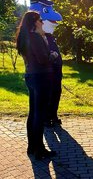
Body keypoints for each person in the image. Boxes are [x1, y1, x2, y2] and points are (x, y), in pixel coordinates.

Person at [16, 11, 58, 160]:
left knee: (33, 112)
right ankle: (39, 150)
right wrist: (53, 55)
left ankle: (32, 147)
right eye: (40, 20)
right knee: (39, 114)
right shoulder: (35, 38)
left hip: (31, 76)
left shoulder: (25, 38)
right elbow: (43, 59)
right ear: (34, 22)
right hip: (41, 77)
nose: (42, 22)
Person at [29, 0, 63, 127]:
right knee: (47, 94)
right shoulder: (36, 38)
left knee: (56, 91)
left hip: (55, 70)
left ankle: (53, 115)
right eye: (46, 10)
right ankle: (45, 118)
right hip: (45, 71)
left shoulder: (49, 36)